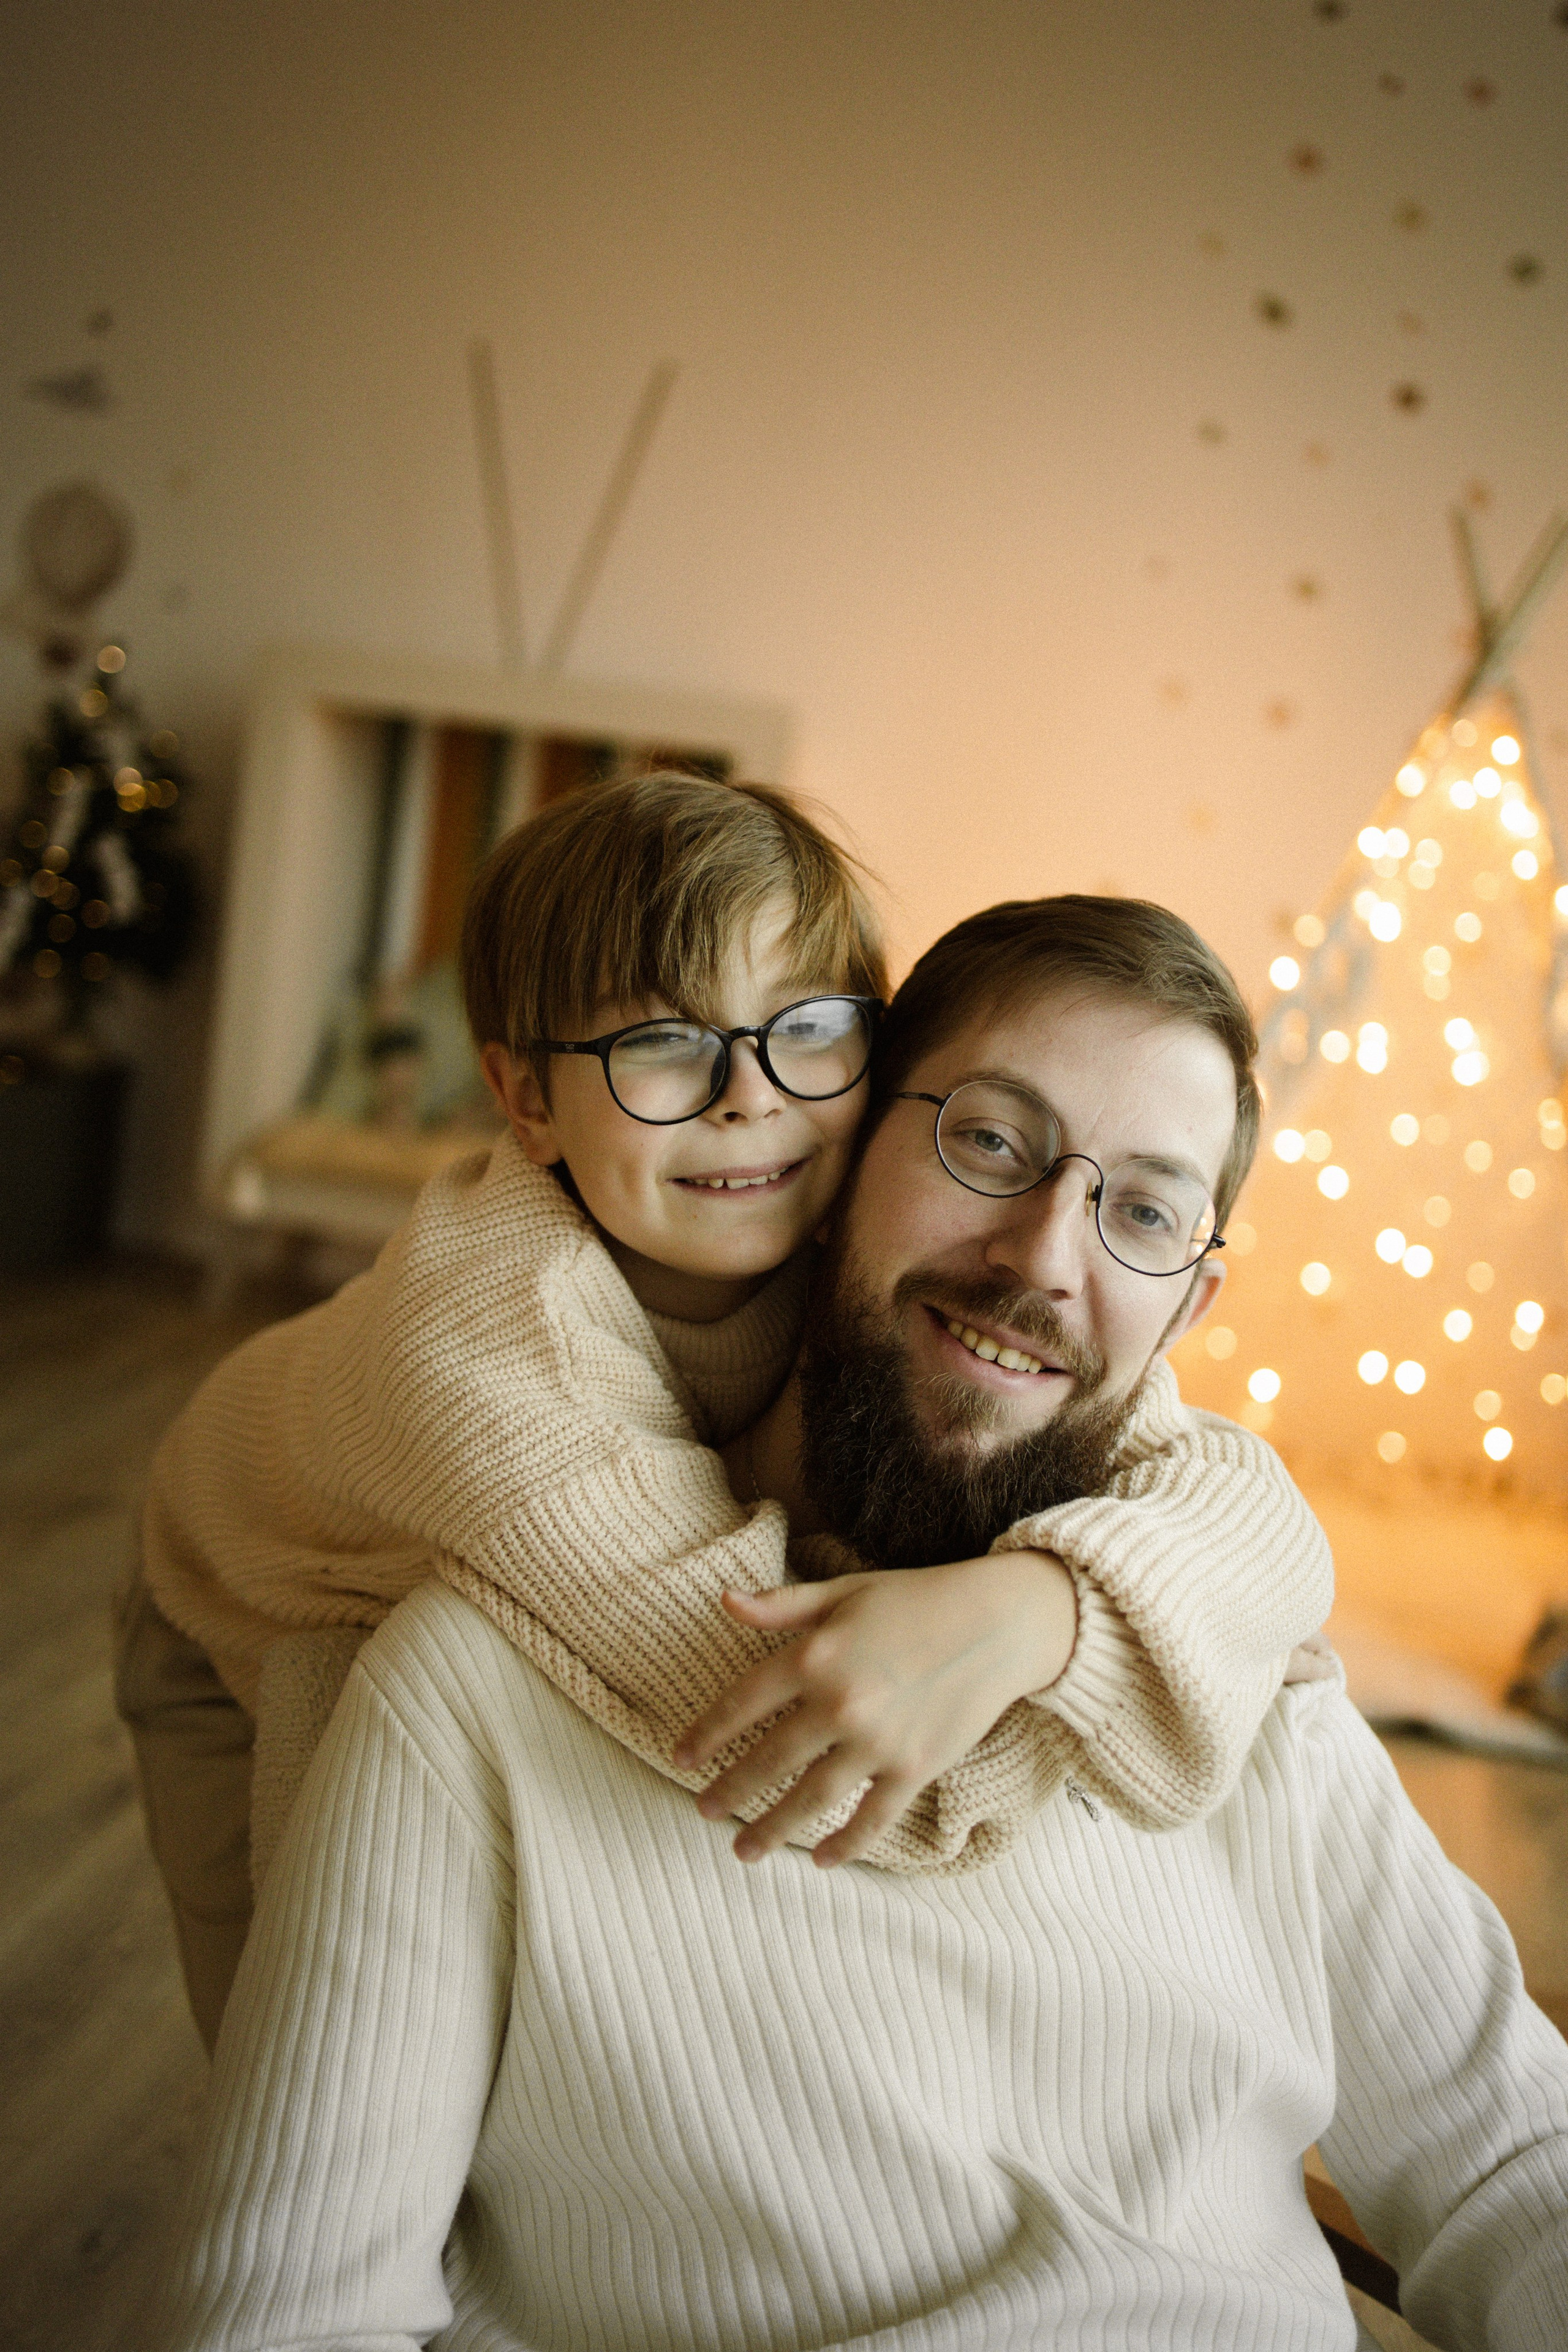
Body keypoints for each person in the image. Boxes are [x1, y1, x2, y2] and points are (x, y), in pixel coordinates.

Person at [156, 894, 1568, 2350]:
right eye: (989, 1143)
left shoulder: (1223, 1664)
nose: (1042, 1256)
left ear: (1185, 1308)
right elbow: (286, 2319)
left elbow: (1517, 2163)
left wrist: (1046, 1624)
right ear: (832, 1163)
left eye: (1140, 1212)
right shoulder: (476, 1682)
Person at [120, 778, 1329, 2048]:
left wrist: (1044, 1613)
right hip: (244, 1596)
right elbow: (823, 1742)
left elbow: (1254, 1517)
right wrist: (1166, 1664)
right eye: (660, 1042)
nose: (748, 1096)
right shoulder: (489, 1351)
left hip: (527, 1514)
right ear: (526, 1101)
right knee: (318, 2012)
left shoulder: (844, 1221)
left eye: (805, 1028)